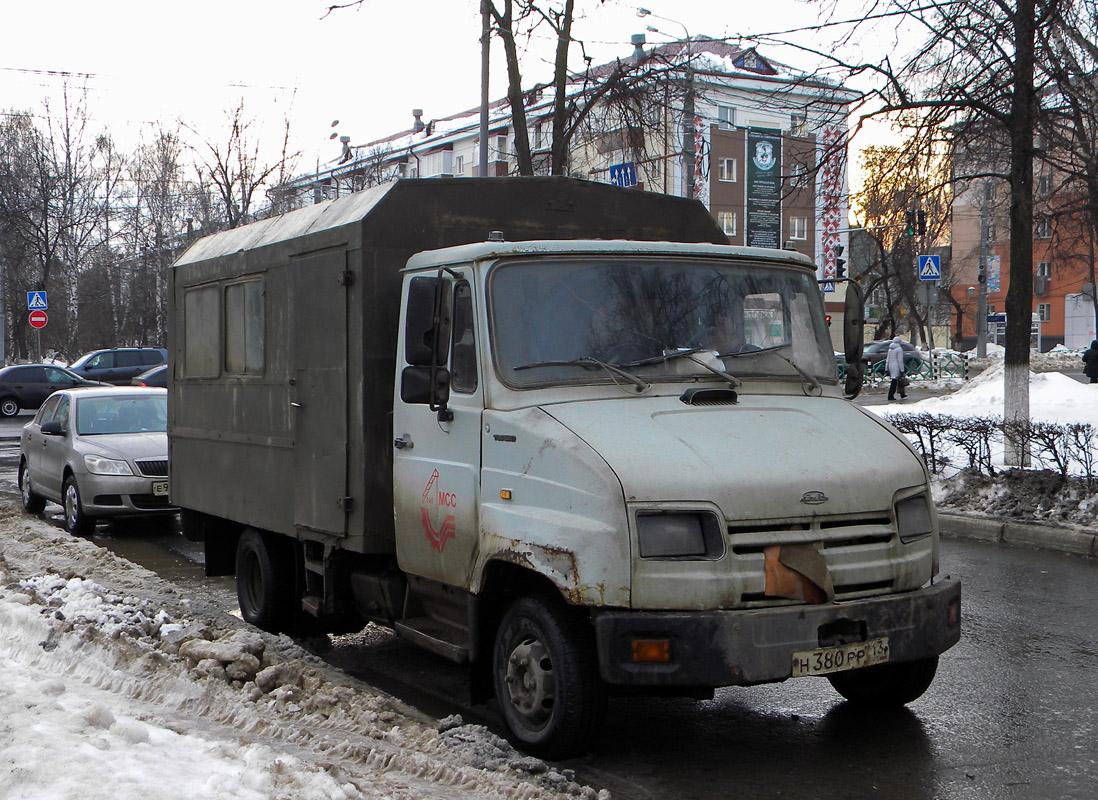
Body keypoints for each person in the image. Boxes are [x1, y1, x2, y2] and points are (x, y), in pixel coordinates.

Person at [886, 336, 907, 401]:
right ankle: (891, 395)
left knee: (895, 380)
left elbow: (887, 359)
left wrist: (886, 368)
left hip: (890, 366)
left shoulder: (890, 349)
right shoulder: (899, 349)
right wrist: (902, 370)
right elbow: (900, 360)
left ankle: (902, 394)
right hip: (896, 366)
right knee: (895, 381)